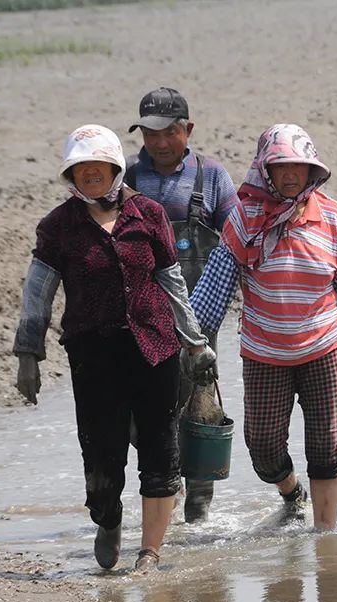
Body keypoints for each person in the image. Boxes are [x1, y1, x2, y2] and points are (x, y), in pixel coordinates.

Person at [12, 124, 217, 572]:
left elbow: (171, 279)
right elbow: (37, 292)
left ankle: (150, 552)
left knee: (161, 453)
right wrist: (28, 354)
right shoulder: (58, 226)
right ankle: (108, 520)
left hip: (155, 350)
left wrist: (196, 343)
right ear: (71, 174)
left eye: (98, 168)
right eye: (80, 169)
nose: (90, 175)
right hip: (94, 357)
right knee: (102, 457)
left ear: (115, 168)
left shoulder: (148, 214)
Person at [190, 124, 337, 530]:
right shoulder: (244, 218)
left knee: (328, 449)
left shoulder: (329, 214)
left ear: (312, 170)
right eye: (282, 166)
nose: (292, 175)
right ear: (265, 169)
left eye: (300, 166)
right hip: (265, 354)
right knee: (261, 448)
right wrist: (196, 345)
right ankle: (290, 491)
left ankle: (324, 541)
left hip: (324, 348)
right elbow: (214, 286)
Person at [126, 87, 239, 523]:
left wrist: (249, 301)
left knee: (199, 402)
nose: (157, 142)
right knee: (147, 410)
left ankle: (199, 505)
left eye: (167, 132)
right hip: (144, 316)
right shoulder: (130, 179)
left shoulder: (211, 176)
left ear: (187, 130)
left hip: (200, 312)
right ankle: (165, 484)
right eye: (149, 133)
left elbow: (235, 239)